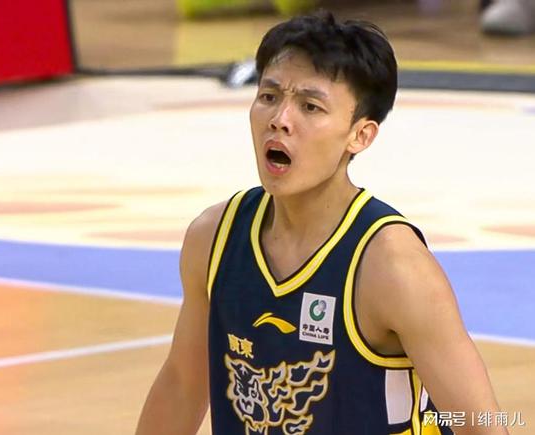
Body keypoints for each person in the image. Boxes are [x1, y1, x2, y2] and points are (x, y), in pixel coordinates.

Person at [136, 11, 507, 435]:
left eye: (310, 106)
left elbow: (483, 425)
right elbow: (182, 385)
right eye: (269, 96)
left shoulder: (392, 265)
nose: (280, 119)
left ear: (360, 135)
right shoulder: (213, 238)